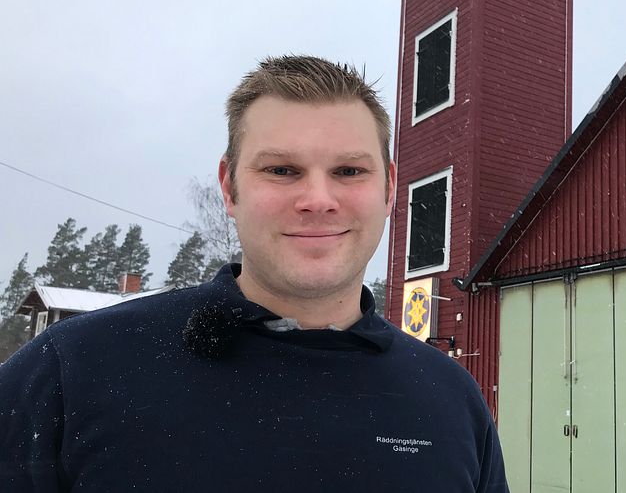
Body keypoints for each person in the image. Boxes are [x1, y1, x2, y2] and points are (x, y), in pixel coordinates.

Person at [0, 56, 508, 492]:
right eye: (281, 170)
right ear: (228, 185)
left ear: (390, 187)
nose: (318, 201)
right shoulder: (72, 371)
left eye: (349, 171)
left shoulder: (450, 400)